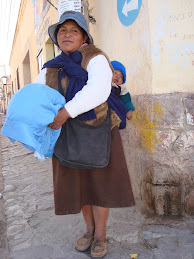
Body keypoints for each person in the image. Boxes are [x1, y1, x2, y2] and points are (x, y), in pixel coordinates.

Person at [35, 11, 135, 259]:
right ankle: (89, 230)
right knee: (81, 185)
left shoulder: (96, 58)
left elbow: (99, 89)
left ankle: (101, 235)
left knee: (99, 185)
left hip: (97, 131)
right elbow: (36, 94)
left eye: (73, 30)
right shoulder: (52, 67)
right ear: (57, 38)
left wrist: (65, 111)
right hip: (69, 134)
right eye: (62, 31)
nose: (66, 34)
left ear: (84, 37)